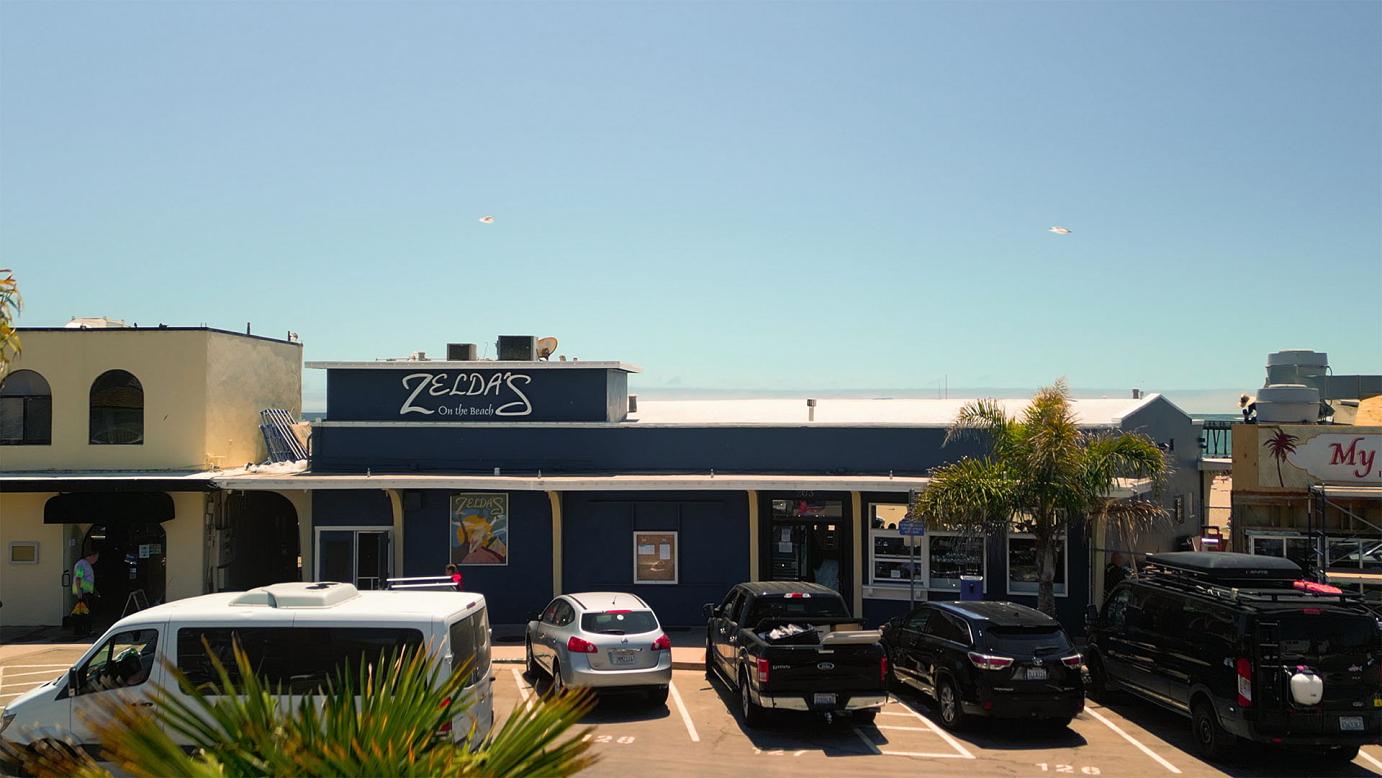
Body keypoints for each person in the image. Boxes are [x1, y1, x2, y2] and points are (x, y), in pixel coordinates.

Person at [71, 549, 99, 637]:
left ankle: (86, 630)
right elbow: (78, 578)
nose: (96, 560)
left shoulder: (87, 564)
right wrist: (80, 593)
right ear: (91, 556)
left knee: (86, 612)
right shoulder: (81, 564)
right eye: (96, 557)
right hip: (83, 592)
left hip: (87, 591)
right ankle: (82, 631)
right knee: (83, 612)